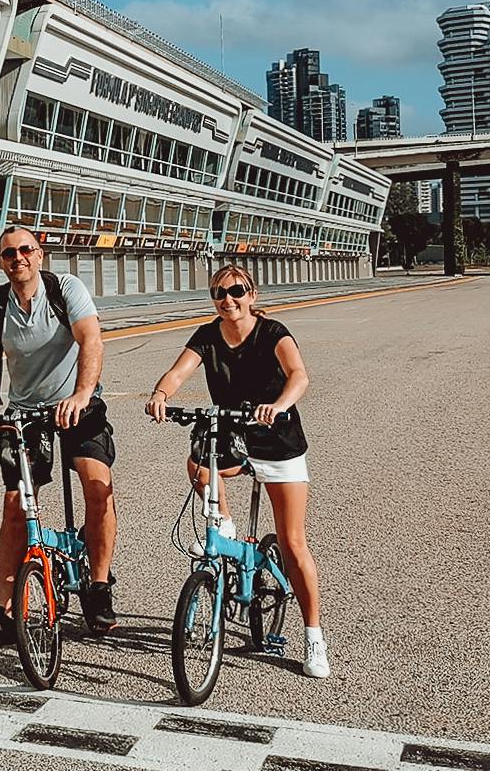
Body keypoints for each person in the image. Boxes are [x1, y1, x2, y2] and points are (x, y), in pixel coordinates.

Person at [144, 264, 329, 679]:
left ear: (253, 295)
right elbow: (179, 371)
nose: (228, 300)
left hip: (277, 440)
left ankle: (314, 636)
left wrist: (279, 405)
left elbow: (299, 376)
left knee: (293, 542)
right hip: (230, 436)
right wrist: (161, 393)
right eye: (220, 294)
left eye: (236, 291)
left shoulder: (273, 333)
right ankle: (224, 524)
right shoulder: (209, 335)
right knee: (197, 464)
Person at [0, 225, 117, 647]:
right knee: (14, 507)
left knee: (97, 486)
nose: (17, 258)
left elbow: (90, 338)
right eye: (8, 254)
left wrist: (80, 394)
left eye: (25, 250)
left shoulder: (66, 289)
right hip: (26, 412)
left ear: (39, 255)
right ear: (0, 262)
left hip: (78, 403)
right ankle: (6, 611)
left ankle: (98, 586)